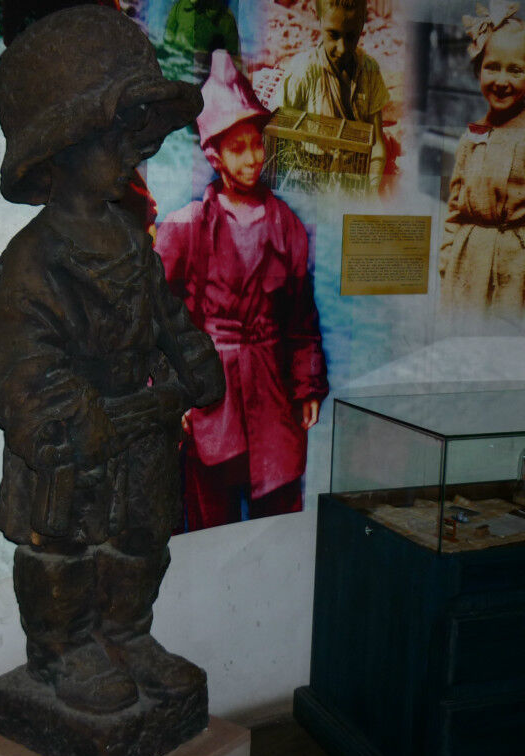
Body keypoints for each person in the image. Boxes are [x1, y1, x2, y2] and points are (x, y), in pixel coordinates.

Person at [0, 6, 225, 718]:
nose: (132, 151)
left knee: (142, 538)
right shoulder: (31, 265)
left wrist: (193, 358)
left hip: (138, 433)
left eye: (135, 136)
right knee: (62, 549)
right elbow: (22, 367)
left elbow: (165, 314)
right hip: (71, 447)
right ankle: (62, 650)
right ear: (59, 152)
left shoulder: (129, 241)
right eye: (114, 137)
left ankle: (127, 634)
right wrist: (64, 418)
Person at [157, 50, 328, 531]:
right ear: (214, 155)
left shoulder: (287, 226)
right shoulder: (186, 228)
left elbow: (301, 318)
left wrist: (307, 384)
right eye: (238, 148)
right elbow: (159, 323)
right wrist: (172, 394)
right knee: (211, 525)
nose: (253, 158)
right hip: (211, 401)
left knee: (279, 520)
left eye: (257, 144)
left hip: (273, 398)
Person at [439, 2, 525, 318]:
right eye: (492, 67)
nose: (502, 80)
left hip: (512, 279)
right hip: (465, 273)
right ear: (478, 70)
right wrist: (447, 260)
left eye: (515, 70)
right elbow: (455, 206)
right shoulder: (473, 134)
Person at [280, 0, 389, 191]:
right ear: (318, 18)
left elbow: (377, 144)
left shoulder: (370, 71)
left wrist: (372, 189)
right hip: (311, 179)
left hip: (356, 179)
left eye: (351, 36)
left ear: (363, 23)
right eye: (333, 35)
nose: (342, 48)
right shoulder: (303, 72)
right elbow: (278, 139)